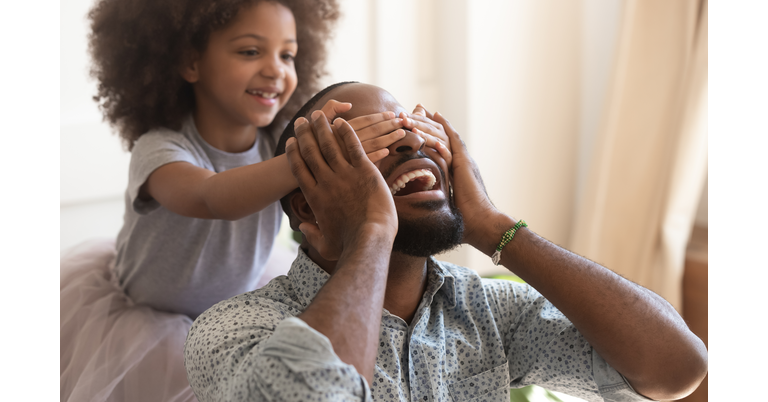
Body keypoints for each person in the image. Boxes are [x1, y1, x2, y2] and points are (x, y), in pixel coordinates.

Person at [184, 82, 709, 402]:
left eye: (409, 128)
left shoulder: (488, 310)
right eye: (372, 142)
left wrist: (489, 224)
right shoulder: (234, 331)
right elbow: (315, 391)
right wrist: (370, 231)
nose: (411, 141)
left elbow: (675, 368)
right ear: (306, 208)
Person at [59, 0, 442, 401]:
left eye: (288, 54)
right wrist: (311, 155)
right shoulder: (160, 148)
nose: (275, 70)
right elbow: (211, 196)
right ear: (190, 62)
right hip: (147, 323)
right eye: (250, 51)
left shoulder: (279, 140)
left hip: (234, 313)